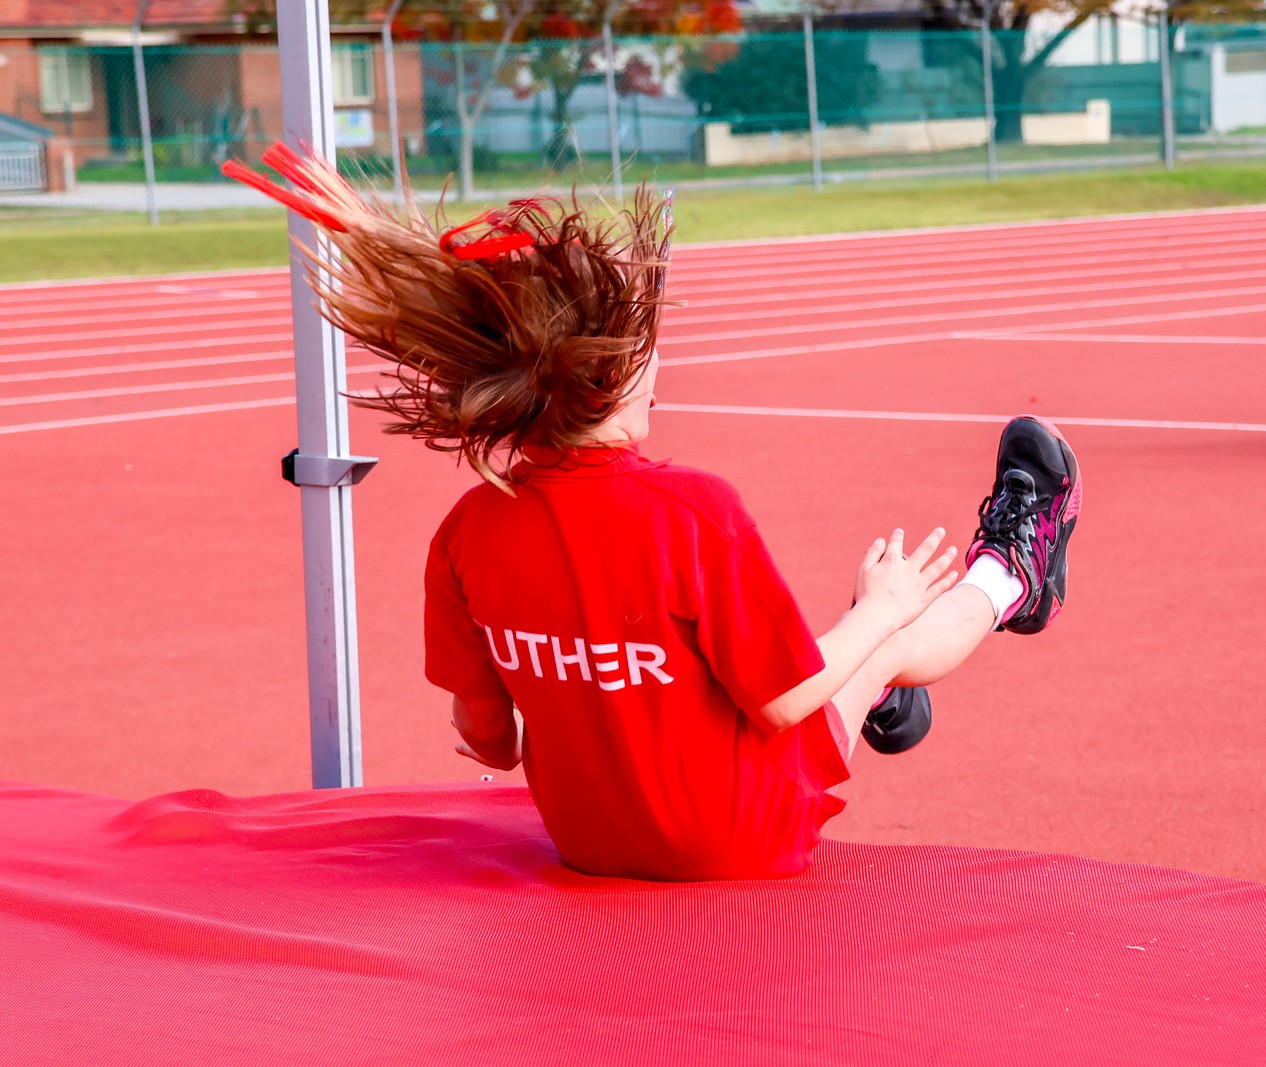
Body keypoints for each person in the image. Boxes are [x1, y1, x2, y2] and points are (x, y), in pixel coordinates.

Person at [225, 144, 1083, 882]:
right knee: (879, 642)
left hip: (590, 843)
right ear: (611, 380)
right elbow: (782, 701)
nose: (662, 372)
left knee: (780, 662)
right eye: (651, 358)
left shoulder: (467, 530)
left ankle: (880, 687)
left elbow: (490, 740)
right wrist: (880, 610)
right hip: (740, 835)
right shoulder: (693, 511)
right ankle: (1012, 573)